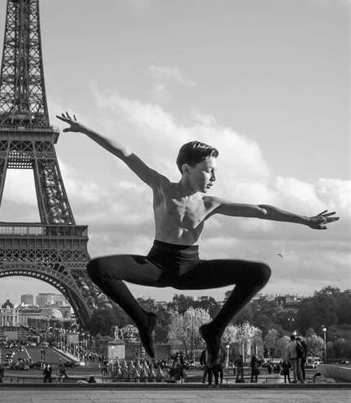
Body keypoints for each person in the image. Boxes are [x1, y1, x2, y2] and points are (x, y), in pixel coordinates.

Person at [57, 112, 339, 367]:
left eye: (215, 170)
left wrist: (304, 219)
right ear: (186, 169)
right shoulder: (162, 187)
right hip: (156, 265)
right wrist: (85, 129)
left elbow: (262, 210)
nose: (214, 176)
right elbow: (124, 153)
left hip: (192, 269)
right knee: (97, 268)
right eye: (208, 170)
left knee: (260, 272)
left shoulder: (209, 203)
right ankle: (143, 319)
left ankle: (214, 329)